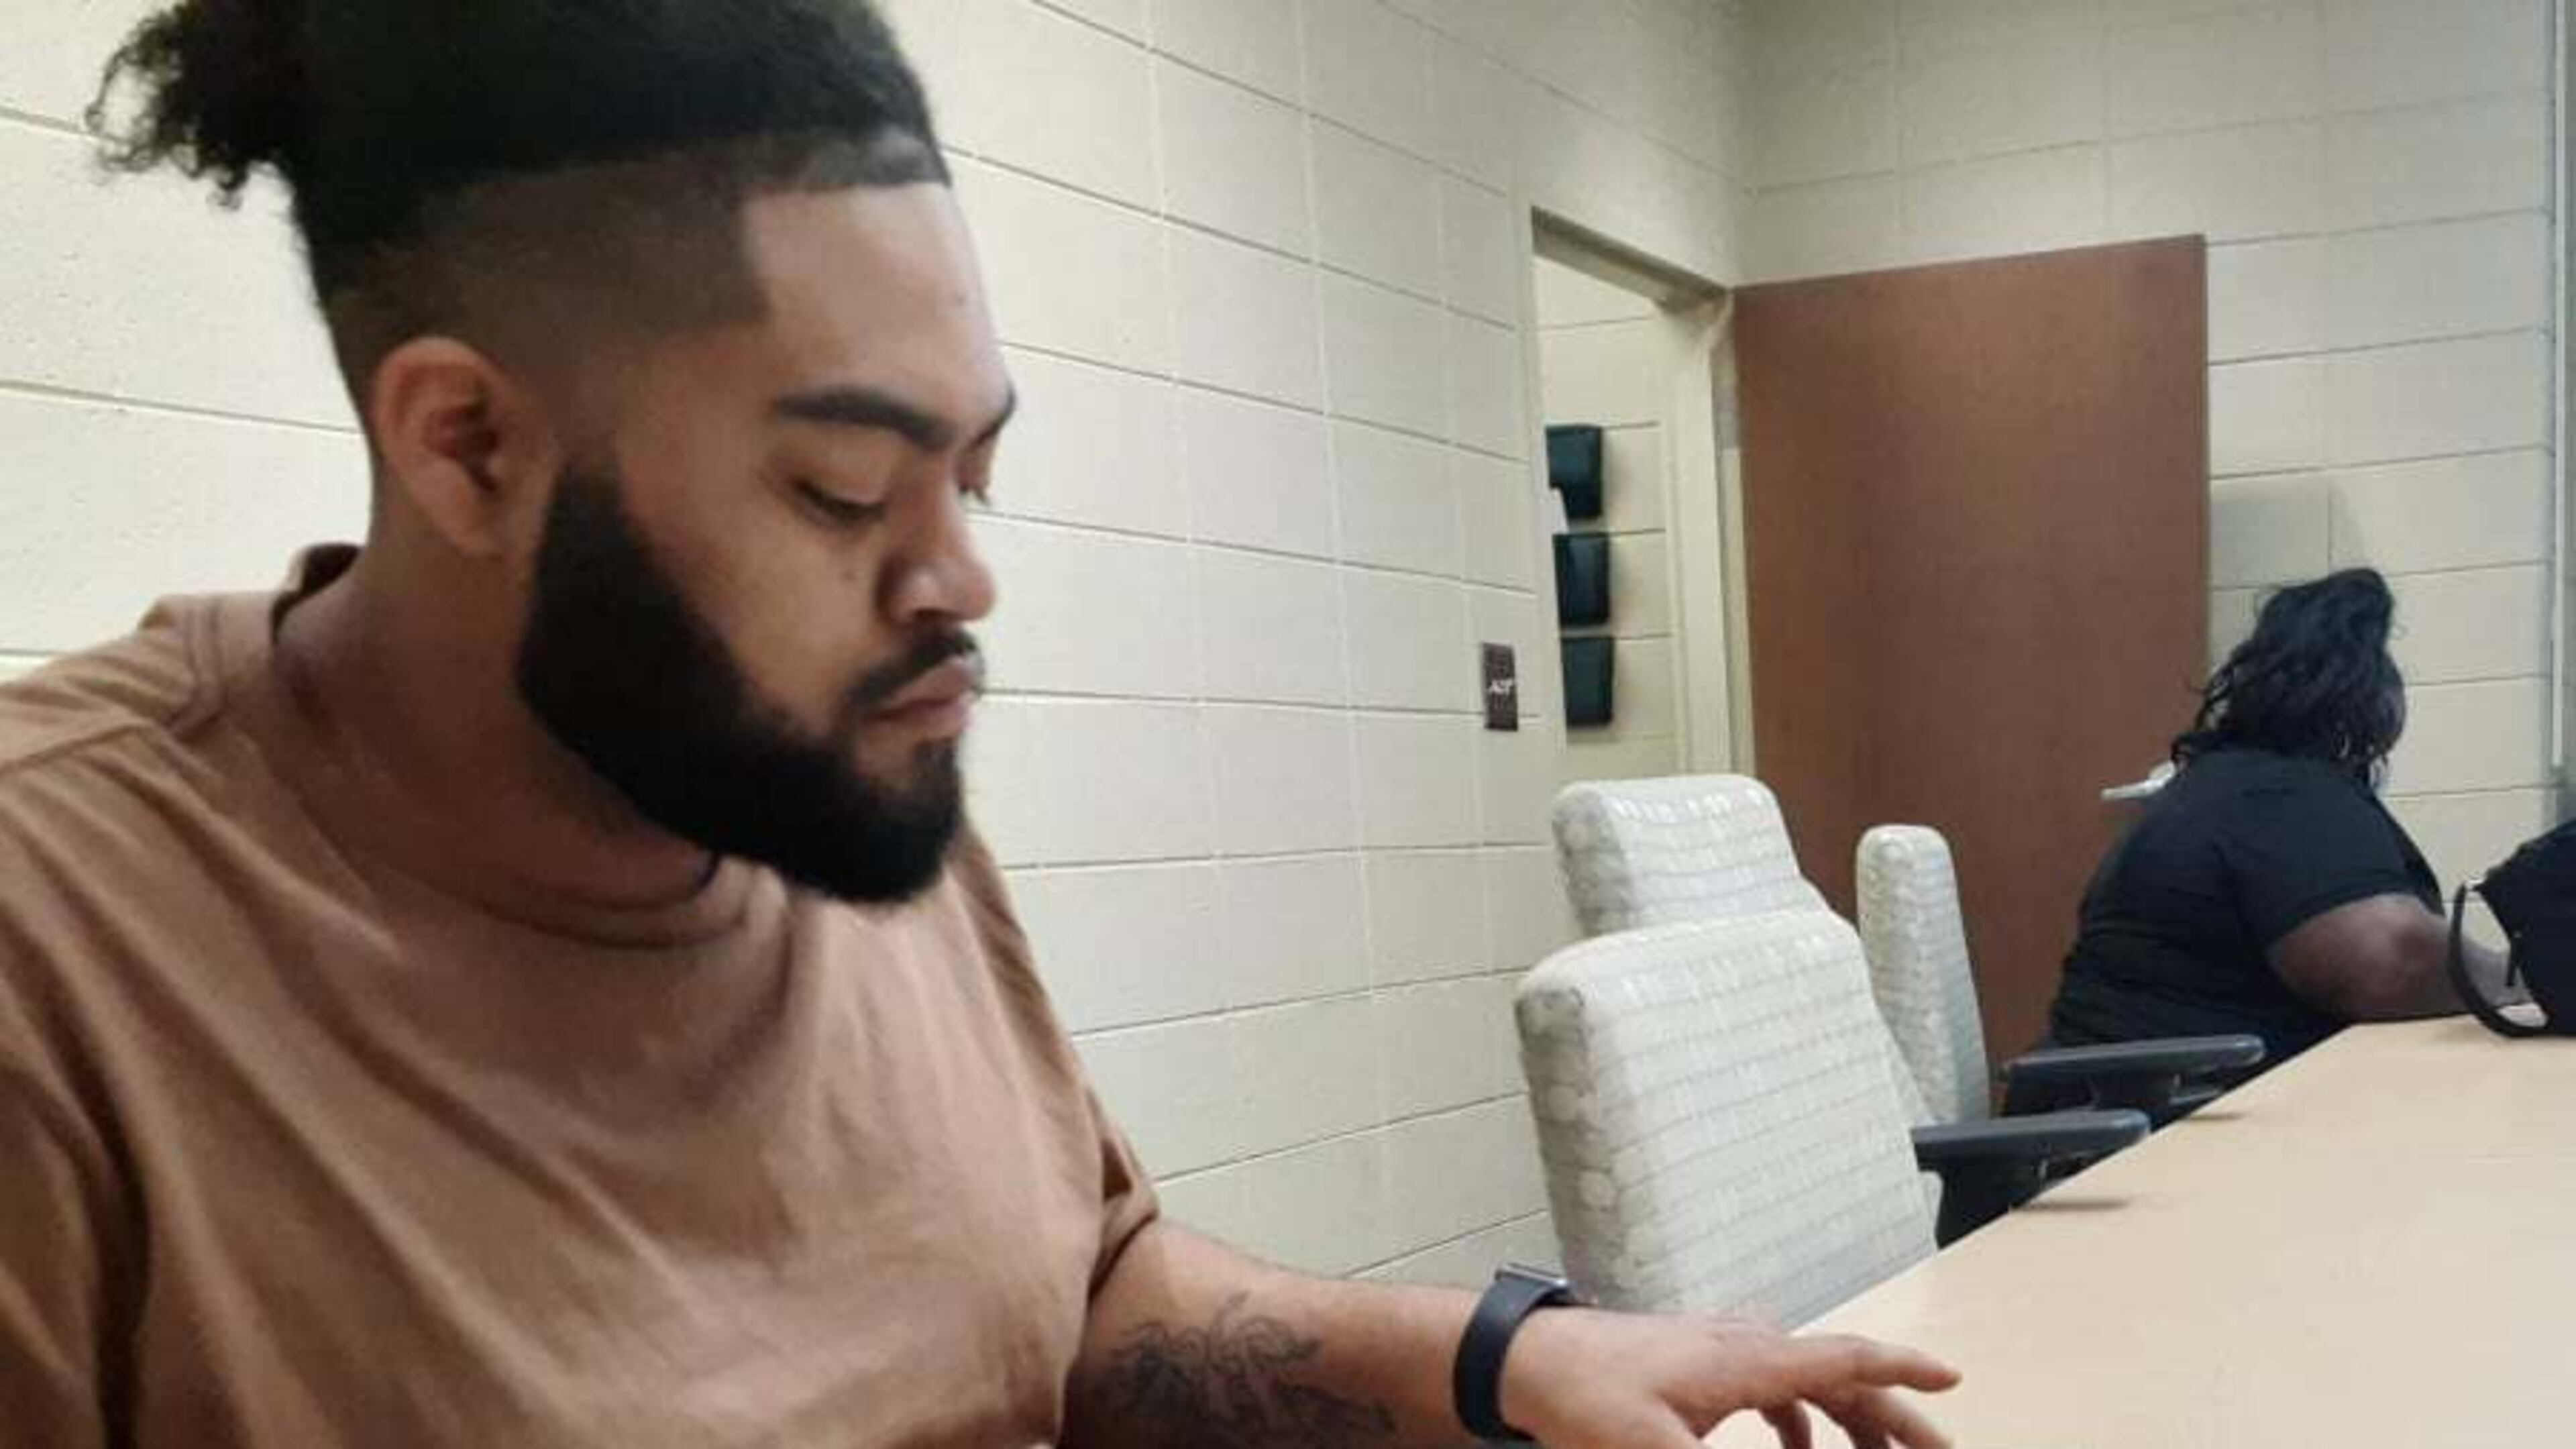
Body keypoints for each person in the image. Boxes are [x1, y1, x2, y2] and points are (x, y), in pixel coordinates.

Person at [0, 3, 1959, 1445]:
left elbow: (1080, 1289)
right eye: (845, 490)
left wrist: (1501, 1359)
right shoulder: (67, 953)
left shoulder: (819, 779)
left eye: (975, 472)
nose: (959, 578)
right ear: (468, 446)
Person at [2021, 568, 2514, 1100]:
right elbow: (2393, 962)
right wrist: (2526, 981)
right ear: (2371, 706)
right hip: (2151, 1126)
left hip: (2138, 1108)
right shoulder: (2275, 796)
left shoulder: (2229, 784)